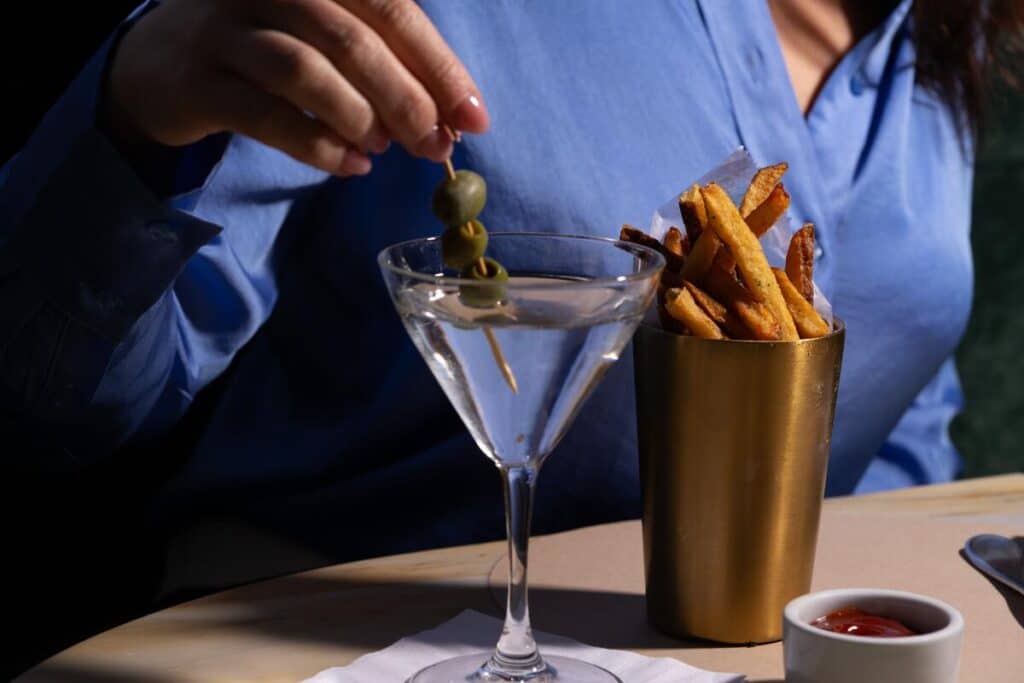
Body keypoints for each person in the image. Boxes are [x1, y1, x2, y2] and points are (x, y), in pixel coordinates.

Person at [1, 0, 1020, 673]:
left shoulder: (937, 31)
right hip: (320, 635)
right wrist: (139, 115)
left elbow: (901, 396)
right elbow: (51, 403)